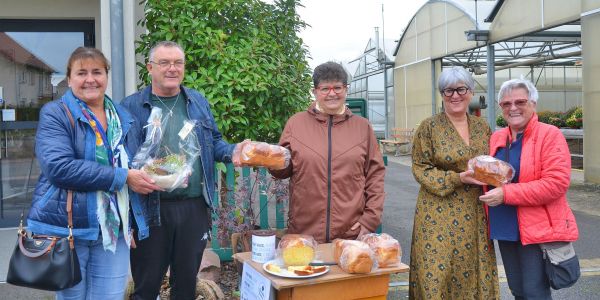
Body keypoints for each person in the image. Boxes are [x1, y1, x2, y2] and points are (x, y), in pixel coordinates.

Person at [27, 47, 160, 299]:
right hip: (69, 230)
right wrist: (122, 177)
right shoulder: (56, 114)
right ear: (69, 79)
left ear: (106, 76)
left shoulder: (123, 117)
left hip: (113, 231)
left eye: (97, 72)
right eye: (81, 72)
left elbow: (135, 164)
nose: (90, 79)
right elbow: (59, 168)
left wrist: (131, 219)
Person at [122, 41, 242, 300]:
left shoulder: (196, 101)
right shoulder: (130, 106)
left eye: (178, 63)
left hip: (193, 207)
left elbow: (215, 143)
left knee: (186, 286)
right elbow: (121, 157)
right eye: (164, 63)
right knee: (146, 286)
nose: (172, 68)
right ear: (150, 67)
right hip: (149, 208)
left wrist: (233, 152)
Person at [478, 78, 578, 299]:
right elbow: (495, 173)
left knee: (535, 293)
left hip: (535, 230)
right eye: (506, 104)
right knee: (518, 290)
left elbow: (556, 183)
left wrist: (506, 194)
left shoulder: (549, 135)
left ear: (533, 103)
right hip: (505, 227)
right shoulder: (498, 136)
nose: (513, 108)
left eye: (520, 101)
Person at [269, 61, 385, 243]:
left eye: (337, 87)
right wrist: (271, 160)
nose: (332, 93)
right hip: (304, 231)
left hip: (350, 233)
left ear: (346, 89)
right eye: (325, 89)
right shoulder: (296, 124)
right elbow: (283, 171)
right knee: (305, 271)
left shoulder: (362, 127)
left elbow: (375, 176)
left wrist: (369, 220)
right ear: (315, 92)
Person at [409, 66, 499, 299]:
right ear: (442, 94)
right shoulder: (429, 127)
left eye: (461, 89)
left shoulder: (482, 127)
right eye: (448, 91)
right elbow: (420, 168)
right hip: (437, 210)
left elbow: (491, 161)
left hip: (474, 207)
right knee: (435, 270)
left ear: (470, 93)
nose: (455, 96)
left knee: (471, 267)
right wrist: (457, 177)